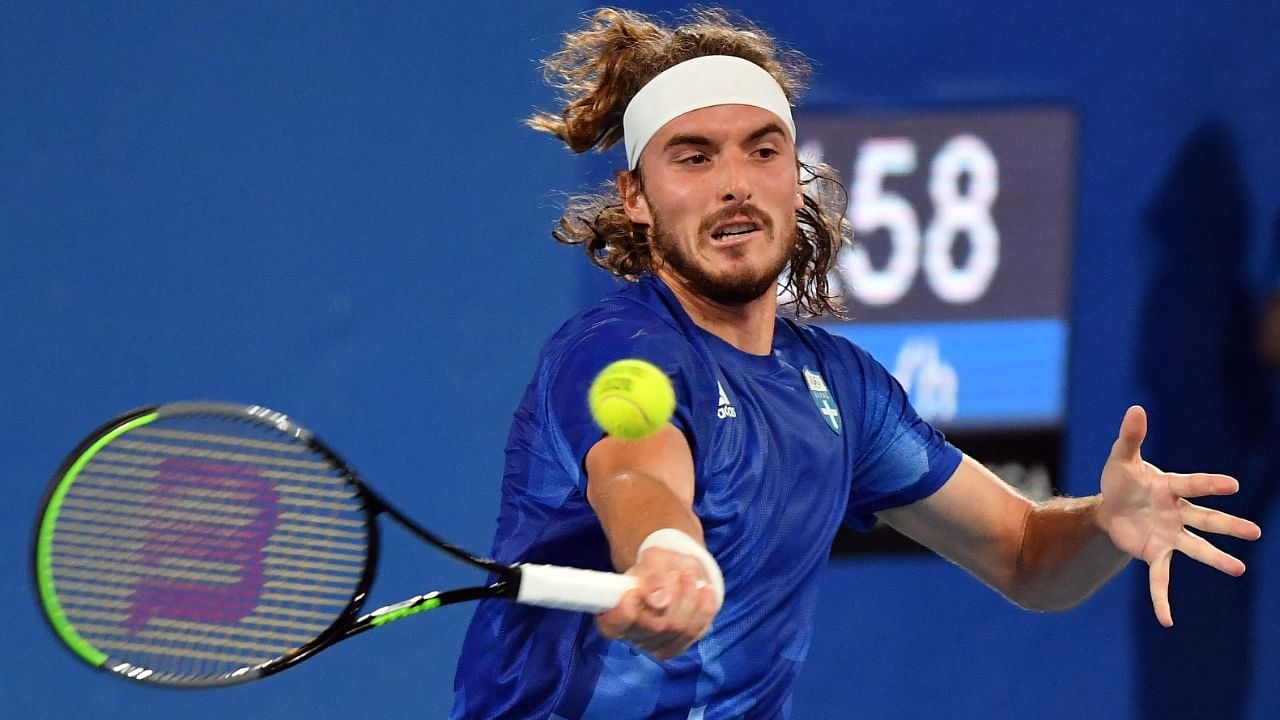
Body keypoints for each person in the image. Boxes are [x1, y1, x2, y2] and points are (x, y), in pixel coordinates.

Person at [450, 8, 1262, 718]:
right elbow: (637, 476)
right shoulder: (618, 352)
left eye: (762, 151)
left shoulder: (844, 392)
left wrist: (1103, 527)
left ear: (793, 175)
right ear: (635, 196)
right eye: (694, 158)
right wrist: (667, 550)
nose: (735, 184)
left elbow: (1023, 556)